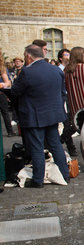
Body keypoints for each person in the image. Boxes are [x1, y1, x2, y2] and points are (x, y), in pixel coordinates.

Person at [10, 44, 69, 188]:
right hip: (52, 114)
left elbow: (15, 92)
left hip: (34, 115)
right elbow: (62, 93)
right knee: (56, 145)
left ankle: (38, 179)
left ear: (29, 56)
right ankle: (64, 174)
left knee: (37, 147)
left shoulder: (27, 72)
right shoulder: (56, 70)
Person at [0, 54, 15, 137]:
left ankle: (10, 131)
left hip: (1, 94)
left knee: (5, 113)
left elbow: (8, 83)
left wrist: (2, 85)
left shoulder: (2, 68)